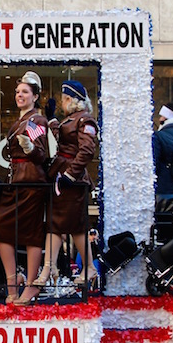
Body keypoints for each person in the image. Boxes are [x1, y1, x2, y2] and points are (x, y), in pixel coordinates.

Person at [26, 80, 99, 301]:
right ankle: (49, 268)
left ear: (73, 100)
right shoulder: (74, 119)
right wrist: (52, 119)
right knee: (55, 224)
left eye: (66, 98)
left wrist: (70, 175)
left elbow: (86, 150)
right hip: (62, 175)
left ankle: (88, 268)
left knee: (74, 226)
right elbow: (63, 136)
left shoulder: (85, 119)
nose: (64, 102)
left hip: (71, 180)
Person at [0, 71, 49, 305]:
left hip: (32, 182)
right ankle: (13, 280)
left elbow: (41, 153)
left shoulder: (36, 121)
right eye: (17, 92)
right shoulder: (19, 121)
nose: (19, 95)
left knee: (32, 234)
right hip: (17, 181)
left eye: (25, 92)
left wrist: (29, 149)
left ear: (35, 96)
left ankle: (31, 285)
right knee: (0, 227)